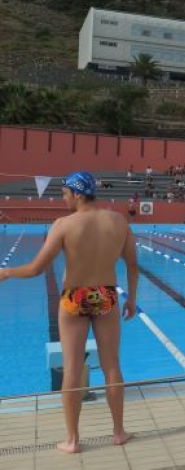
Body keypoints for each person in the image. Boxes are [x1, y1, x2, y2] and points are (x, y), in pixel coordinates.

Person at [0, 171, 138, 453]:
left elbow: (36, 268)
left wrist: (7, 272)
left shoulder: (63, 225)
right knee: (112, 366)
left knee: (72, 369)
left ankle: (73, 440)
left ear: (77, 193)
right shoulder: (118, 221)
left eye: (64, 193)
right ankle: (119, 432)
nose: (62, 199)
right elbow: (133, 265)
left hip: (75, 296)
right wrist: (131, 300)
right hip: (106, 295)